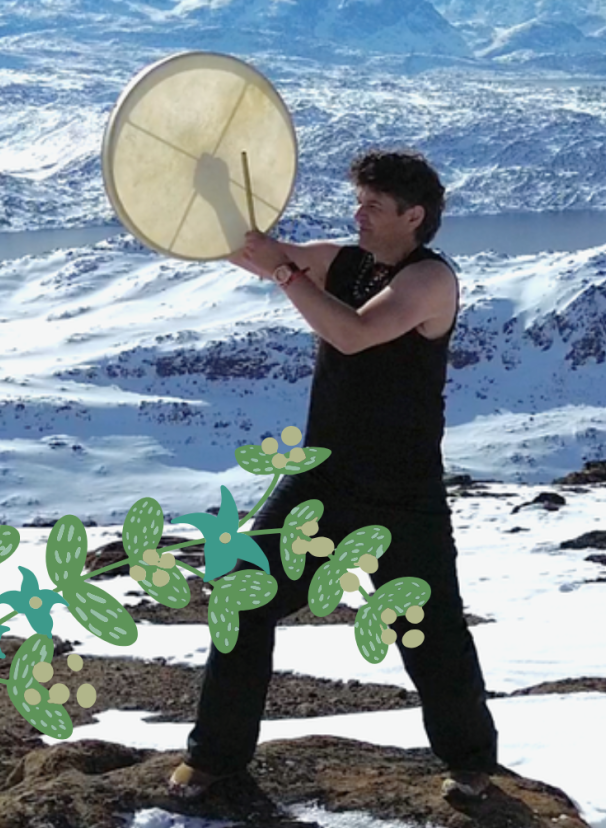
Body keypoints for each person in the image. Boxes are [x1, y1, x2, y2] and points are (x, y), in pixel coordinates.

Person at [167, 150, 500, 801]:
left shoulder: (430, 280)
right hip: (322, 480)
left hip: (403, 493)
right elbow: (253, 250)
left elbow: (351, 333)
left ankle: (471, 765)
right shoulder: (344, 261)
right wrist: (214, 193)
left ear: (414, 216)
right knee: (241, 595)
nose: (358, 215)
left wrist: (285, 271)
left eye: (373, 206)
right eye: (359, 202)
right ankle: (214, 760)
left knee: (429, 631)